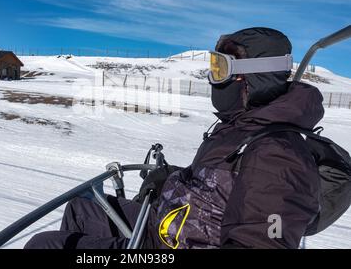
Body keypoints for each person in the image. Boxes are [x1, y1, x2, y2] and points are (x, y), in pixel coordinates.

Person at [25, 27, 323, 249]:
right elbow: (219, 187)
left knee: (45, 246)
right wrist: (170, 178)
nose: (212, 79)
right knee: (82, 208)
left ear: (251, 77)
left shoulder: (278, 154)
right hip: (168, 227)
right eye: (213, 66)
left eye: (220, 69)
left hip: (169, 247)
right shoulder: (241, 126)